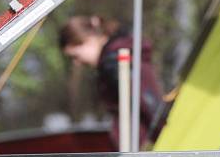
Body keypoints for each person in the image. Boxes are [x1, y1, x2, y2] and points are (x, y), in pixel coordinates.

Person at [59, 15, 164, 148]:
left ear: (89, 39)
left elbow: (146, 101)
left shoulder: (115, 63)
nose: (77, 63)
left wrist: (160, 134)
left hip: (144, 146)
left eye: (75, 56)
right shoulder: (114, 60)